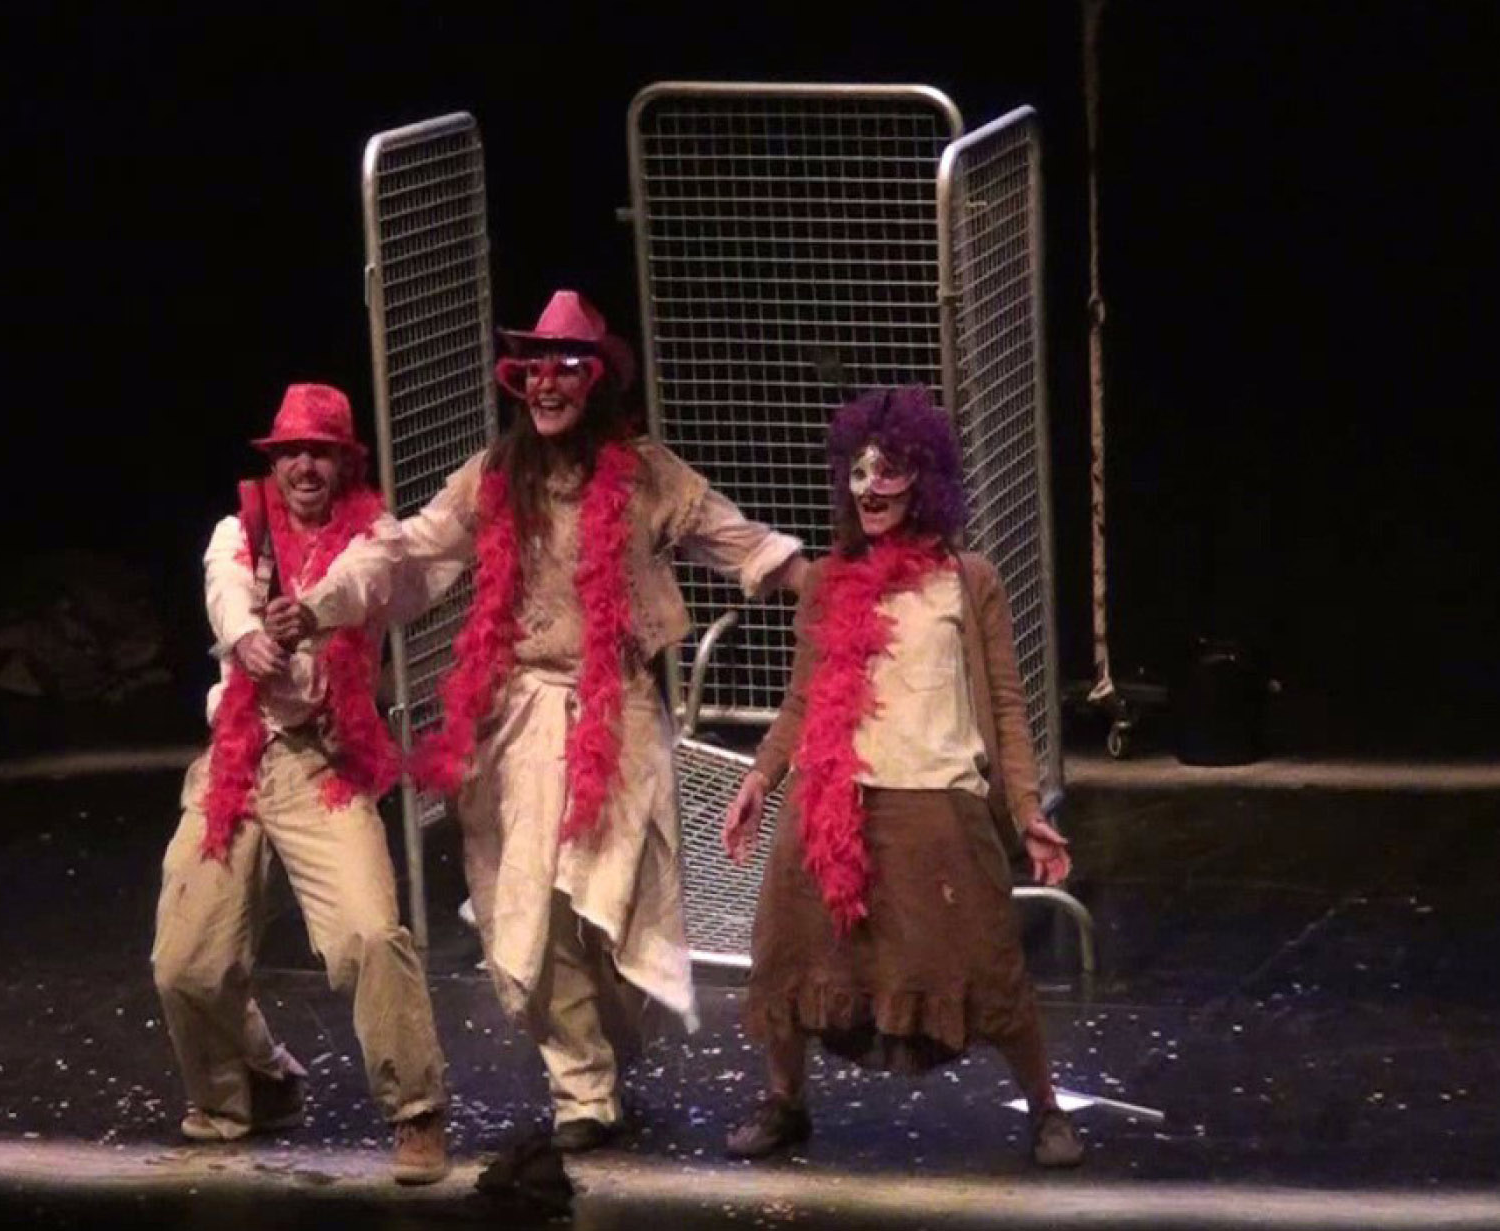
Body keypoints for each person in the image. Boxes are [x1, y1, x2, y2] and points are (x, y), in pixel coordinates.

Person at [268, 291, 805, 1151]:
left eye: (566, 368)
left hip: (617, 715)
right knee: (529, 911)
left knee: (614, 909)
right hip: (516, 718)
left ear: (595, 383)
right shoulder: (493, 476)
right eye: (533, 370)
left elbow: (735, 539)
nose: (547, 385)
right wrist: (320, 603)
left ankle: (607, 1047)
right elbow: (407, 548)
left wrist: (826, 584)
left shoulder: (647, 475)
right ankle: (580, 1088)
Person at [719, 385, 1083, 1168]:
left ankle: (1045, 1107)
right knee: (787, 949)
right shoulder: (826, 580)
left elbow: (1006, 708)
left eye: (888, 472)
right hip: (831, 800)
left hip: (936, 805)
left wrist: (1026, 809)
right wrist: (761, 776)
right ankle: (784, 1102)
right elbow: (800, 700)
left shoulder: (967, 578)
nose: (870, 488)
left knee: (985, 961)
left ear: (925, 480)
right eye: (858, 472)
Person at [150, 382, 451, 1185]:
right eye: (290, 454)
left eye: (320, 452)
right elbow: (224, 589)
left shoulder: (374, 533)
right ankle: (253, 1084)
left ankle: (416, 1109)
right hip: (237, 756)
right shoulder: (239, 529)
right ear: (273, 462)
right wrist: (247, 637)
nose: (304, 467)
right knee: (186, 962)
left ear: (346, 462)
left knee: (367, 934)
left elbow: (361, 578)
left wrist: (309, 612)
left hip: (324, 760)